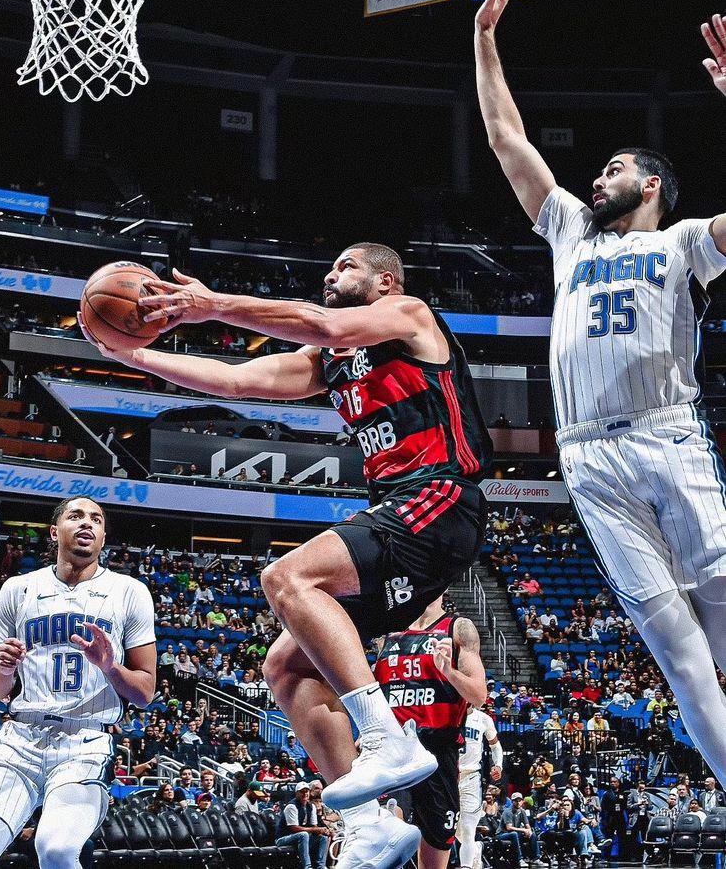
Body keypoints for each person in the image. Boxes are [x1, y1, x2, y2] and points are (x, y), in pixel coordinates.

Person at [80, 242, 493, 868]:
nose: (330, 273)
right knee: (285, 669)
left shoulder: (410, 316)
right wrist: (136, 354)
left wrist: (210, 305)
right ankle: (369, 823)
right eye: (327, 266)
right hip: (404, 514)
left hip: (440, 497)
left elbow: (320, 321)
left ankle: (386, 739)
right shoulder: (332, 362)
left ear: (384, 281)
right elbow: (242, 379)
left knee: (287, 577)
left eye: (345, 266)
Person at [476, 0, 726, 790]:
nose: (598, 177)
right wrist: (485, 42)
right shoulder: (570, 236)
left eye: (616, 168)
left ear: (652, 185)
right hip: (587, 459)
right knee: (680, 658)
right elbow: (509, 142)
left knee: (724, 626)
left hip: (667, 436)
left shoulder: (682, 240)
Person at [0, 496, 156, 869]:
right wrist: (5, 670)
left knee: (56, 850)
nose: (87, 523)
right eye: (76, 516)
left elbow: (145, 693)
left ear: (103, 537)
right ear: (56, 532)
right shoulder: (17, 589)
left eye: (97, 519)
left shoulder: (130, 591)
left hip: (86, 741)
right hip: (21, 739)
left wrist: (110, 666)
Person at [374, 599, 489, 869]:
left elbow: (479, 695)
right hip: (395, 749)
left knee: (437, 847)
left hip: (439, 753)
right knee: (390, 826)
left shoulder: (458, 629)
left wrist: (448, 672)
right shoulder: (385, 632)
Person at [456, 703, 503, 869]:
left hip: (471, 778)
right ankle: (476, 849)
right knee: (456, 832)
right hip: (448, 777)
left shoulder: (483, 719)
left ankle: (466, 866)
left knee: (468, 829)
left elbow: (495, 746)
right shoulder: (447, 713)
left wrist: (498, 765)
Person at [274, 782, 330, 869]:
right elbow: (294, 829)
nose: (305, 794)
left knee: (323, 837)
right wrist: (316, 830)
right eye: (302, 792)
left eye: (306, 791)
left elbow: (314, 826)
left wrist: (322, 830)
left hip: (300, 837)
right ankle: (307, 867)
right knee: (303, 834)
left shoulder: (311, 806)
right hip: (283, 839)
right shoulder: (291, 806)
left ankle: (321, 866)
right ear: (297, 793)